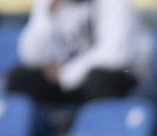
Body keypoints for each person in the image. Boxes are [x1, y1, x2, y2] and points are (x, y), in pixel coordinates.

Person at [8, 0, 149, 106]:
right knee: (19, 78)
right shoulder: (51, 3)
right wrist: (47, 16)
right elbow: (29, 55)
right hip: (70, 78)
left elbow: (116, 54)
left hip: (119, 76)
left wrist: (65, 73)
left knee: (99, 79)